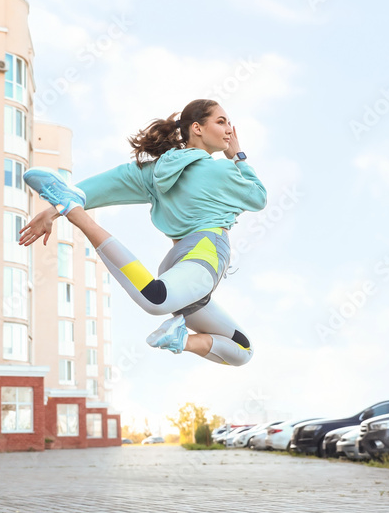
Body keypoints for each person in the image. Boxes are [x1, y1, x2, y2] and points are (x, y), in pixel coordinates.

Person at [18, 99, 266, 366]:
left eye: (229, 123)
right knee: (156, 300)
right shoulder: (222, 170)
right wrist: (237, 156)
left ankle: (181, 340)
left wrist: (54, 208)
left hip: (179, 263)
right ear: (197, 128)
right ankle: (78, 217)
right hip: (206, 251)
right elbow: (258, 197)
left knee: (242, 349)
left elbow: (101, 188)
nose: (230, 129)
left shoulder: (156, 171)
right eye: (221, 121)